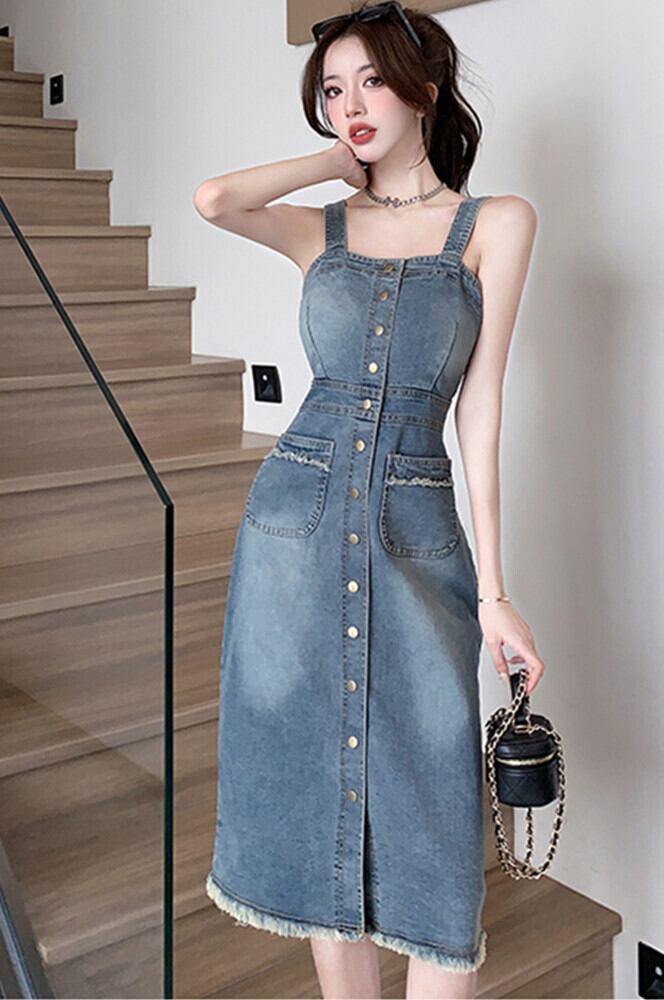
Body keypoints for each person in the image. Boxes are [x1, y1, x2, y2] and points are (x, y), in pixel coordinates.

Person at [193, 3, 545, 997]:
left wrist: (495, 593)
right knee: (312, 796)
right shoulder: (322, 228)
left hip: (417, 527)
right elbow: (214, 199)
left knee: (432, 809)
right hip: (292, 531)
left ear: (424, 88)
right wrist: (331, 163)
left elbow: (480, 408)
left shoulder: (497, 224)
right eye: (332, 90)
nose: (350, 104)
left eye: (371, 82)